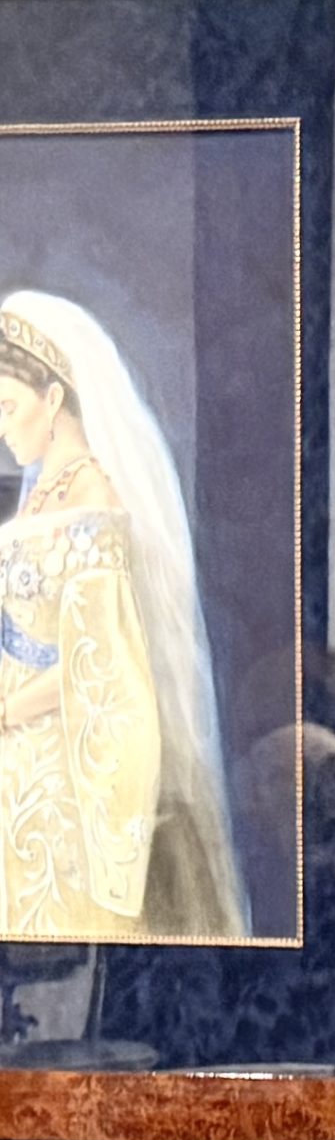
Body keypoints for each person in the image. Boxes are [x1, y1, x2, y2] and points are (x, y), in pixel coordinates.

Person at [0, 288, 251, 940]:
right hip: (20, 758)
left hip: (59, 769)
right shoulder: (40, 497)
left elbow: (101, 661)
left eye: (8, 407)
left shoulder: (93, 498)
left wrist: (8, 709)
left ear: (53, 397)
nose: (1, 427)